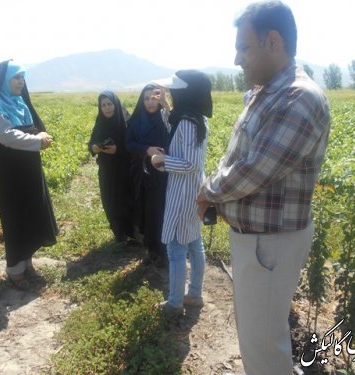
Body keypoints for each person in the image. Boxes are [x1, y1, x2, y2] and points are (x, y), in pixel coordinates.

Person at [197, 2, 331, 374]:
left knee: (264, 350)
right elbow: (237, 156)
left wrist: (207, 191)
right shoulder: (266, 91)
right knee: (257, 339)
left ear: (272, 41)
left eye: (244, 47)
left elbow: (254, 169)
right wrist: (213, 190)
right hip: (257, 243)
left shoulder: (298, 97)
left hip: (269, 244)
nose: (237, 58)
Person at [0, 60, 59, 290]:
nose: (21, 82)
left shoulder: (19, 102)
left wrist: (40, 134)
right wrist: (37, 141)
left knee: (31, 212)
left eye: (23, 78)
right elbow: (6, 136)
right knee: (15, 217)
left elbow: (30, 128)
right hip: (9, 174)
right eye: (16, 78)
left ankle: (27, 262)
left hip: (28, 170)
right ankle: (15, 269)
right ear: (4, 81)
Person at [150, 70, 212, 316]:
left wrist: (161, 160)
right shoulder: (194, 118)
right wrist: (166, 108)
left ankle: (175, 304)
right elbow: (177, 129)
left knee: (176, 248)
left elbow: (189, 163)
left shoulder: (187, 122)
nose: (172, 94)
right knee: (194, 243)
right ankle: (194, 295)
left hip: (183, 193)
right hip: (193, 190)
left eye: (175, 91)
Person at [126, 84, 171, 266]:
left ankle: (162, 251)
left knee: (160, 211)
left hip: (163, 173)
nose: (150, 102)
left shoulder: (166, 119)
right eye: (146, 98)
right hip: (142, 174)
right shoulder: (136, 120)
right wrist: (147, 149)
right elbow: (129, 143)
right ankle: (150, 249)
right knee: (145, 211)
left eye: (154, 98)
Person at [88, 91, 134, 243]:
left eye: (110, 104)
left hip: (125, 169)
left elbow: (134, 146)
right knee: (109, 201)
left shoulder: (126, 122)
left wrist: (118, 149)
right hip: (107, 170)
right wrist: (95, 147)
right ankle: (119, 234)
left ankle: (133, 233)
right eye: (103, 105)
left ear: (116, 105)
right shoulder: (100, 123)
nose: (107, 108)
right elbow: (91, 143)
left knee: (126, 201)